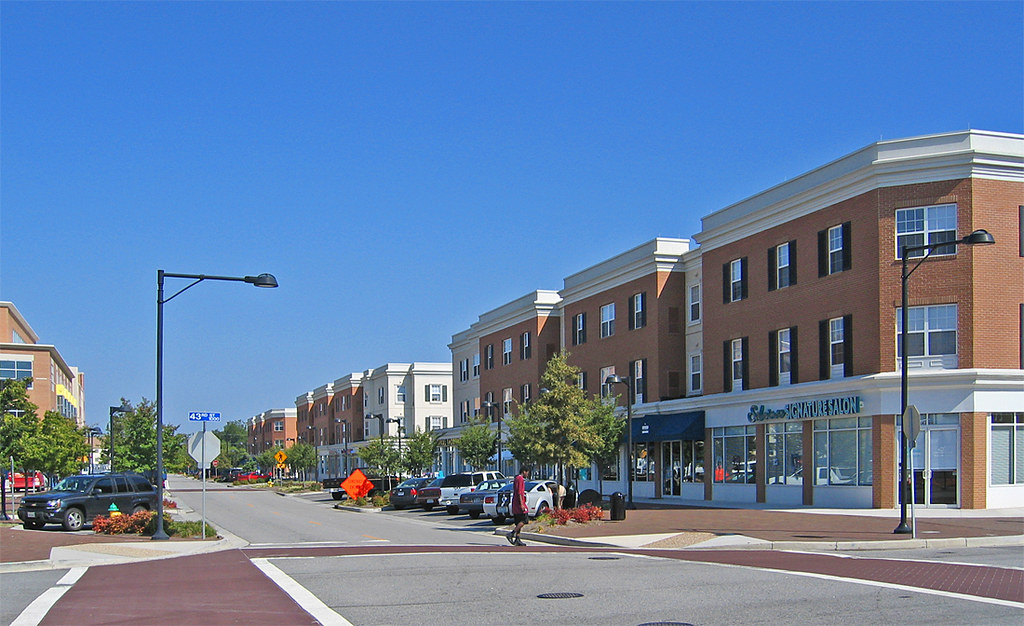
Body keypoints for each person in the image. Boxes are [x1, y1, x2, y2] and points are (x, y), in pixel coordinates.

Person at [508, 465, 530, 546]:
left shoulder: (516, 478)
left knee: (518, 521)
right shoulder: (520, 479)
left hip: (515, 502)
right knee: (524, 520)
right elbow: (520, 492)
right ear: (524, 471)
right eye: (527, 472)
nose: (527, 474)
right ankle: (511, 534)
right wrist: (522, 504)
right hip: (519, 503)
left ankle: (517, 539)